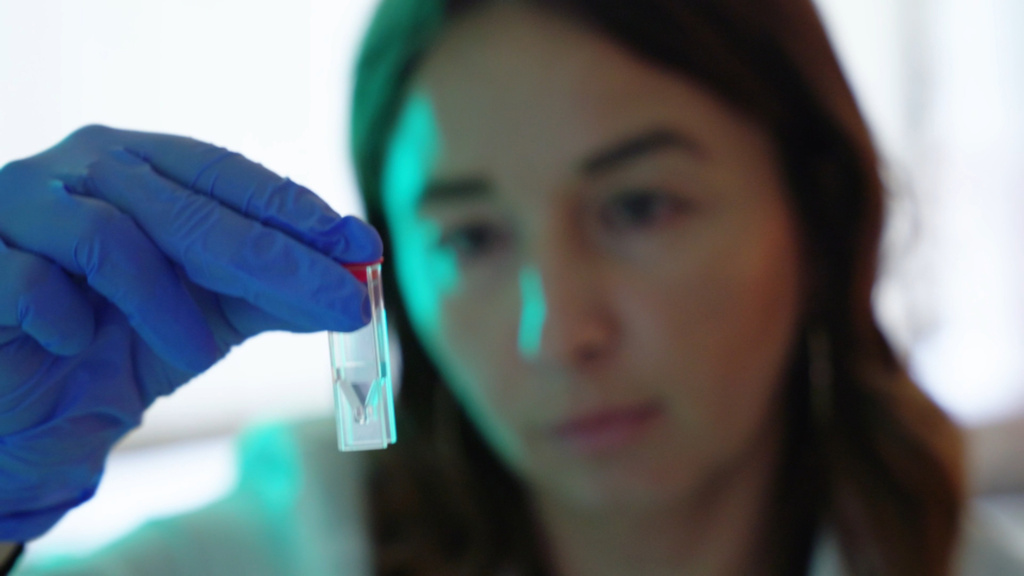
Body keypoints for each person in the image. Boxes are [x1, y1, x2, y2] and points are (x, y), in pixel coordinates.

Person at [1, 0, 1023, 574]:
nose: (556, 331)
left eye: (639, 207)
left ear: (819, 214)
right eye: (472, 236)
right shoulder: (290, 548)